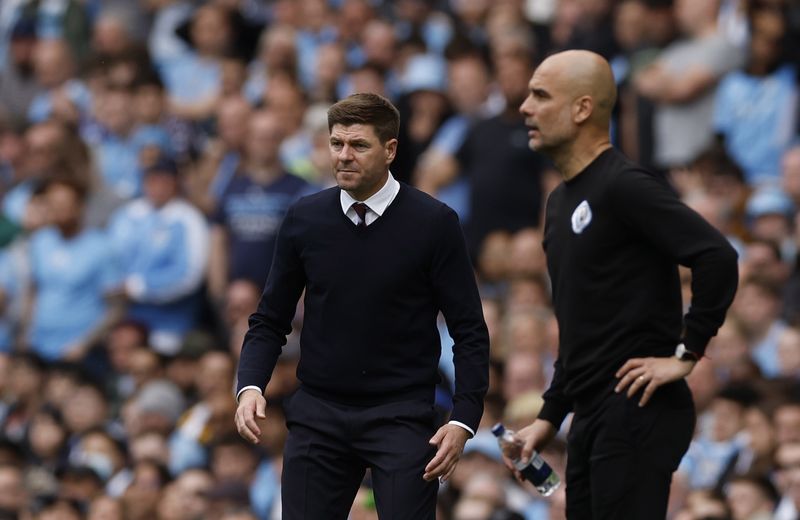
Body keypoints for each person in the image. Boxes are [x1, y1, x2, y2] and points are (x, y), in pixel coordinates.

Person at [234, 92, 490, 519]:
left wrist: (464, 418)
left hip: (402, 416)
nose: (344, 156)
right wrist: (250, 386)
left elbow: (469, 329)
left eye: (359, 145)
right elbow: (269, 319)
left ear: (390, 149)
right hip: (318, 412)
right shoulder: (304, 218)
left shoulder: (434, 223)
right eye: (336, 144)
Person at [514, 50, 739, 518]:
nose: (524, 107)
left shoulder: (626, 185)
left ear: (582, 109)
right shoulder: (558, 204)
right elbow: (580, 328)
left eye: (540, 95)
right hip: (590, 414)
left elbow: (716, 256)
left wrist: (686, 353)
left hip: (638, 407)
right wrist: (549, 417)